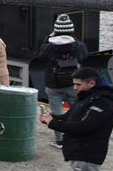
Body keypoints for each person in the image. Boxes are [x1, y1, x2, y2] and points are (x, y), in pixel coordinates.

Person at [36, 14, 88, 148]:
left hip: (53, 84)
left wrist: (48, 38)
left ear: (56, 30)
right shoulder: (78, 46)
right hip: (73, 84)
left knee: (56, 113)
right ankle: (75, 137)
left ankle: (60, 140)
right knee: (75, 111)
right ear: (71, 30)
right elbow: (84, 59)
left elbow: (41, 57)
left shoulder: (49, 46)